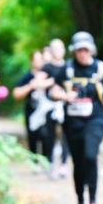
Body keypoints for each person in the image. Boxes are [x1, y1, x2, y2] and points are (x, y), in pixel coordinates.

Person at [49, 32, 103, 204]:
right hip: (73, 121)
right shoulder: (66, 69)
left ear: (91, 49)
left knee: (90, 156)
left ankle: (93, 200)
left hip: (96, 118)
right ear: (74, 51)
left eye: (85, 49)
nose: (82, 53)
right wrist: (63, 96)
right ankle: (80, 202)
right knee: (78, 162)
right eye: (78, 50)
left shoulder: (101, 68)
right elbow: (53, 90)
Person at [12, 50, 57, 157]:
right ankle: (34, 160)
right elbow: (16, 93)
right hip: (31, 111)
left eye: (40, 59)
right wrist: (31, 86)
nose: (38, 62)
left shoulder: (50, 74)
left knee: (47, 137)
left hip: (48, 113)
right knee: (33, 137)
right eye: (36, 60)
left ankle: (48, 162)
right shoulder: (27, 77)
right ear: (32, 62)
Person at [42, 39, 71, 179]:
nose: (57, 51)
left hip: (66, 105)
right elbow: (38, 82)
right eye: (55, 48)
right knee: (50, 136)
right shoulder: (47, 67)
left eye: (60, 48)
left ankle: (64, 164)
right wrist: (53, 82)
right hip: (49, 106)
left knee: (66, 134)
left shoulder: (69, 66)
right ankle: (50, 163)